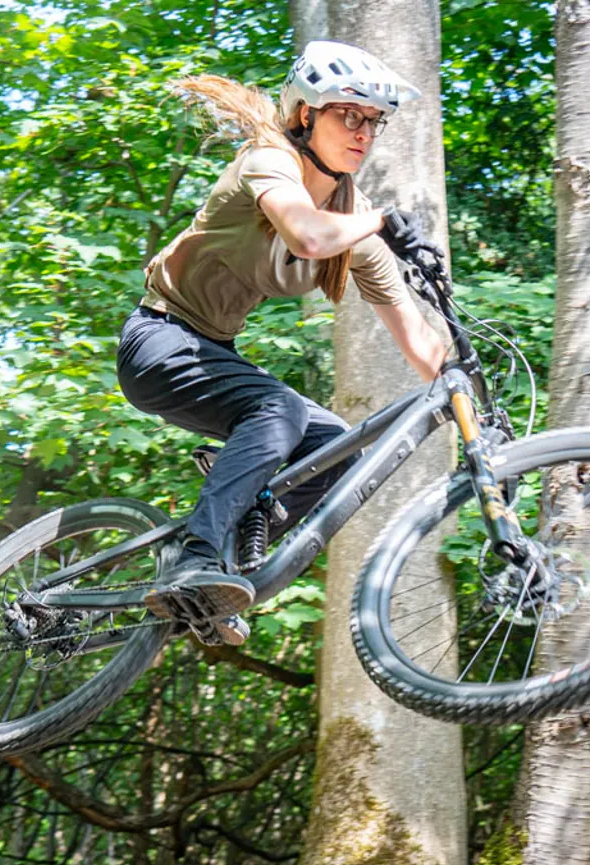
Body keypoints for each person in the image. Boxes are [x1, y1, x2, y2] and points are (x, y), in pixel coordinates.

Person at [117, 40, 450, 647]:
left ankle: (222, 569)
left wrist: (466, 391)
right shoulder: (268, 163)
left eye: (373, 121)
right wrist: (381, 221)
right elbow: (308, 236)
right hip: (159, 340)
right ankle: (195, 555)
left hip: (211, 351)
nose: (364, 132)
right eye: (349, 115)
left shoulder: (353, 221)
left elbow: (416, 338)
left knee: (336, 449)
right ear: (304, 114)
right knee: (283, 409)